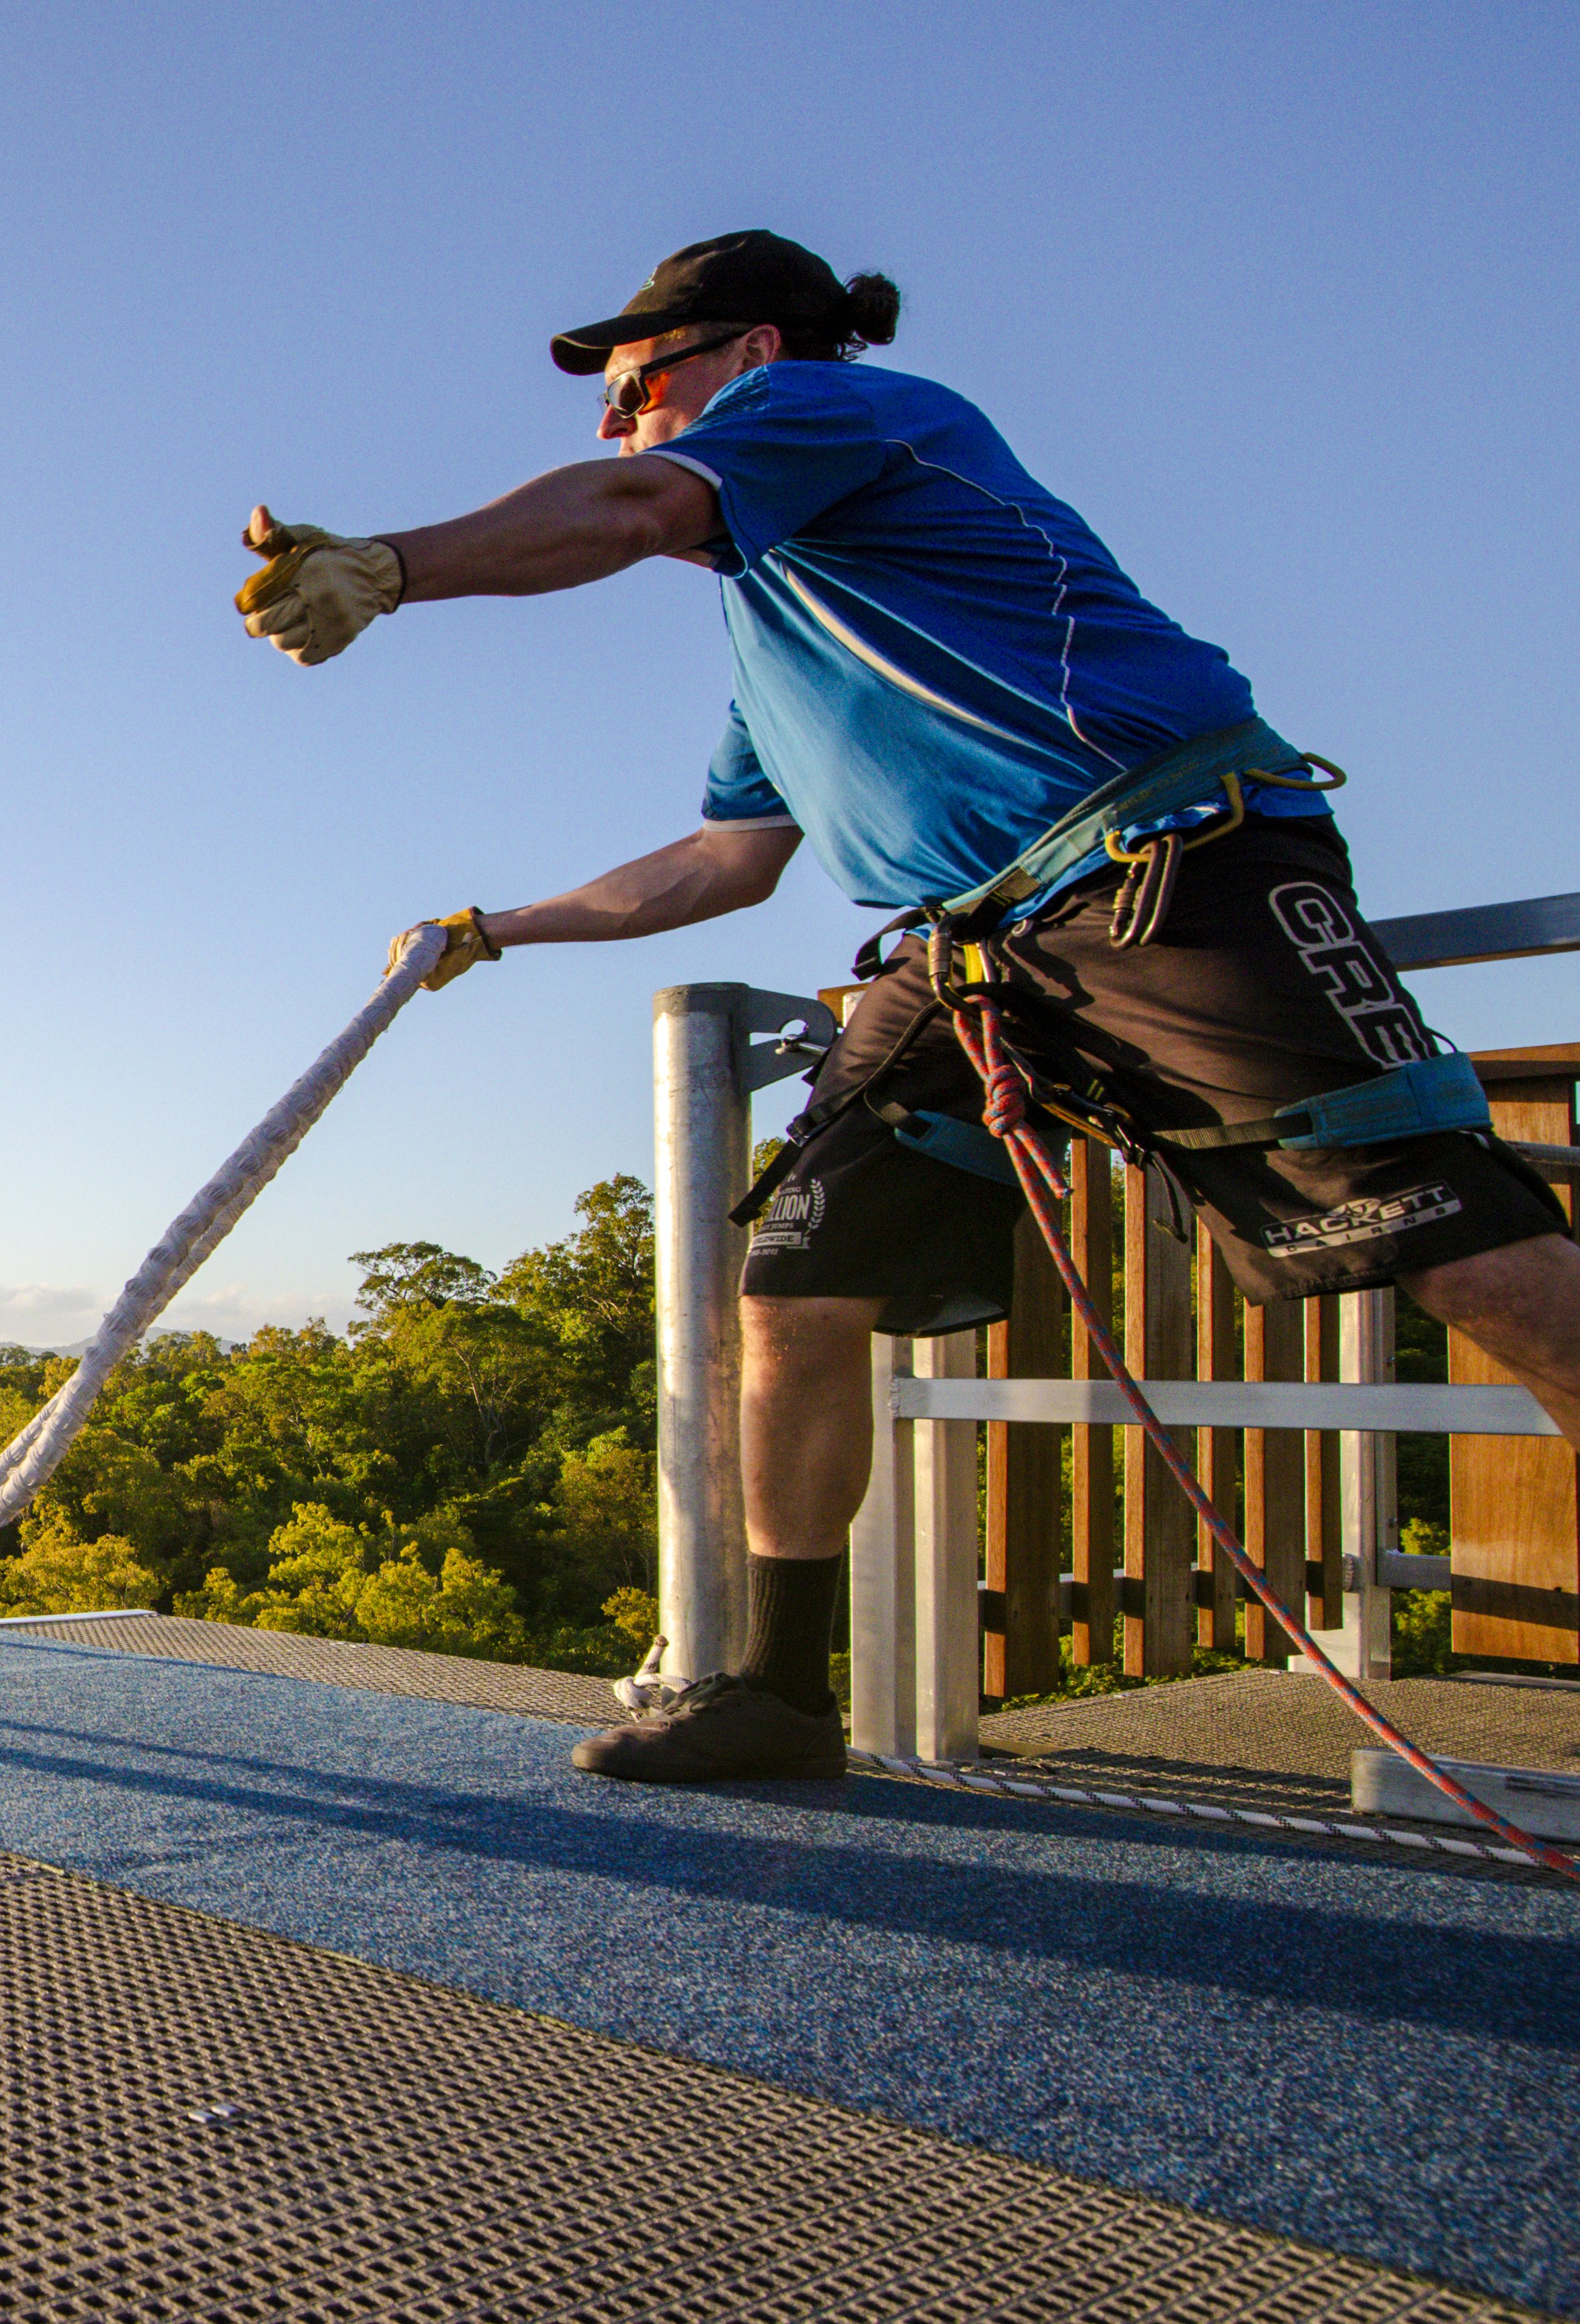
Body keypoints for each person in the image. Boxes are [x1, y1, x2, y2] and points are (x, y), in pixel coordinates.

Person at [238, 229, 1580, 1782]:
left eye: (630, 384)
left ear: (745, 352)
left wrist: (389, 567)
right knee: (793, 1282)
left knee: (1471, 1260)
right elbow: (723, 863)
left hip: (1166, 873)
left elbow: (625, 508)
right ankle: (776, 1696)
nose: (609, 422)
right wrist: (495, 927)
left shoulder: (837, 414)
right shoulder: (775, 626)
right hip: (965, 958)